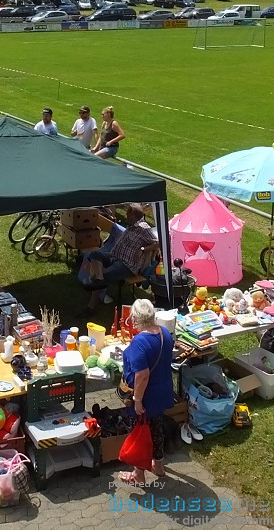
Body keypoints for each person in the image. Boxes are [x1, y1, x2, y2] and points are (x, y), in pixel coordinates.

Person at [119, 298, 174, 485]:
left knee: (138, 432)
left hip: (147, 396)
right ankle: (158, 466)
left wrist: (137, 399)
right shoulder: (164, 333)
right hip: (163, 391)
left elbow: (142, 375)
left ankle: (138, 475)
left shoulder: (140, 342)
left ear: (135, 319)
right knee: (156, 427)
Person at [83, 204, 157, 312]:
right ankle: (99, 280)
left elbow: (159, 243)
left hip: (127, 265)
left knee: (100, 275)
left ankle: (91, 306)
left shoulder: (144, 228)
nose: (126, 217)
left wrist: (142, 249)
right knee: (94, 255)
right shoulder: (131, 225)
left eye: (128, 214)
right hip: (114, 257)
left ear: (132, 214)